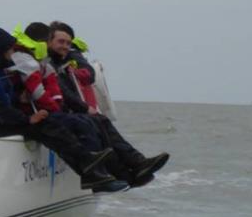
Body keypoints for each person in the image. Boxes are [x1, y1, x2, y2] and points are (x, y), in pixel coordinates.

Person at [0, 26, 128, 193]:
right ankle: (88, 165)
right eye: (10, 50)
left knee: (54, 123)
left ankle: (91, 169)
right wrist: (27, 119)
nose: (12, 55)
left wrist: (19, 99)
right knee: (47, 126)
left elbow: (1, 101)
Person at [47, 21, 169, 186]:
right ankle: (125, 175)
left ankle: (136, 164)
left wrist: (75, 56)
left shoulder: (67, 58)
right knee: (93, 123)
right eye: (61, 42)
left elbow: (87, 72)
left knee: (101, 121)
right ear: (48, 42)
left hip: (70, 111)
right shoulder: (46, 63)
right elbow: (62, 91)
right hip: (58, 113)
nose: (65, 46)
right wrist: (84, 108)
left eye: (68, 43)